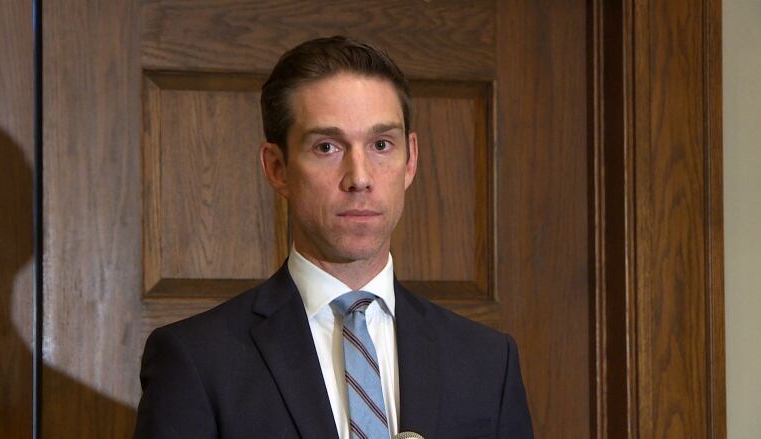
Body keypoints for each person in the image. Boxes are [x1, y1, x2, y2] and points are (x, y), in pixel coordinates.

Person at [134, 36, 533, 439]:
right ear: (277, 167)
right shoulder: (197, 360)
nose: (359, 177)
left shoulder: (487, 362)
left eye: (381, 144)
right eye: (327, 146)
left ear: (410, 160)